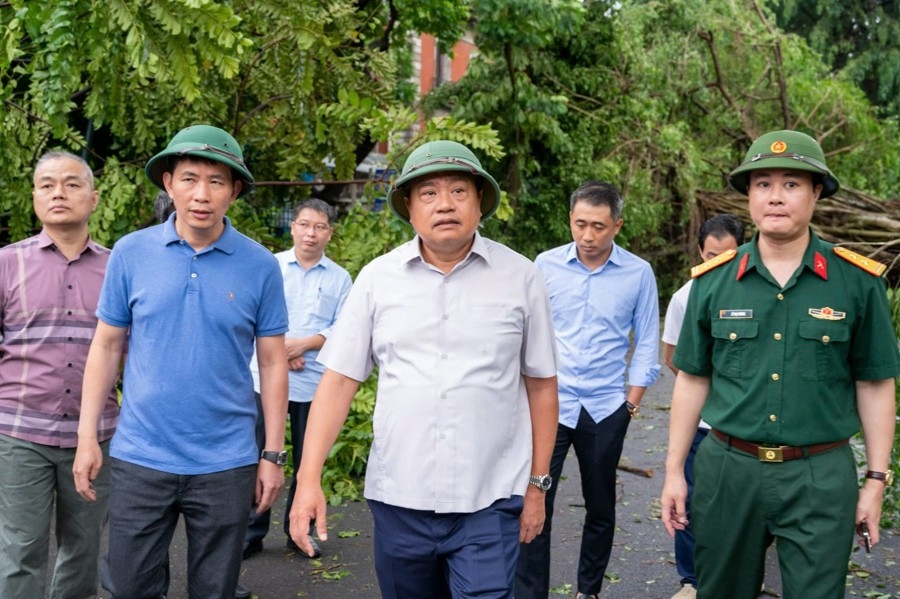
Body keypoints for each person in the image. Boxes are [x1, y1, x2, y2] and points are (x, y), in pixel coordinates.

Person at [289, 140, 559, 597]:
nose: (445, 204)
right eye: (429, 193)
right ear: (410, 209)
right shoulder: (378, 278)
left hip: (490, 499)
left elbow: (542, 385)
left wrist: (537, 486)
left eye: (458, 190)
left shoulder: (521, 278)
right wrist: (308, 478)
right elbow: (337, 382)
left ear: (479, 204)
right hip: (399, 498)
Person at [661, 130, 900, 599]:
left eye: (792, 184)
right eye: (762, 184)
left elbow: (874, 385)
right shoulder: (713, 283)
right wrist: (673, 472)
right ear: (749, 196)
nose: (775, 196)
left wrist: (875, 480)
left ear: (816, 194)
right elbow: (691, 380)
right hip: (728, 471)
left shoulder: (856, 282)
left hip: (819, 474)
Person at [73, 125, 289, 599]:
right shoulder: (132, 252)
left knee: (215, 590)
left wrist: (272, 454)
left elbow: (273, 363)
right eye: (189, 178)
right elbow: (107, 345)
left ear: (234, 190)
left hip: (226, 461)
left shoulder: (260, 265)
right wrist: (87, 436)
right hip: (141, 454)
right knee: (129, 588)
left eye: (217, 182)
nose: (202, 194)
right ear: (169, 183)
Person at [516, 180, 661, 599]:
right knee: (535, 499)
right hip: (550, 407)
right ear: (570, 220)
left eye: (599, 226)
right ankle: (530, 593)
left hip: (604, 408)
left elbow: (647, 341)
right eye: (580, 224)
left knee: (600, 506)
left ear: (617, 225)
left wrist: (629, 406)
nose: (588, 236)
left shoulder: (638, 273)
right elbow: (526, 332)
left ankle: (588, 591)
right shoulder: (544, 265)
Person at [0, 151, 118, 598]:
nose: (58, 193)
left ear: (93, 197)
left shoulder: (117, 269)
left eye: (71, 184)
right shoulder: (7, 264)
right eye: (47, 184)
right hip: (18, 434)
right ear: (34, 197)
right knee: (20, 549)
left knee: (84, 548)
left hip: (97, 434)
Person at [242, 198, 352, 560]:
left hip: (314, 384)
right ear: (293, 227)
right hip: (265, 379)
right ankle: (251, 532)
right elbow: (251, 317)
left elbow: (344, 329)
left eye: (319, 227)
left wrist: (302, 345)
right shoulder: (269, 266)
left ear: (329, 233)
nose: (311, 233)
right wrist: (280, 353)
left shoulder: (340, 278)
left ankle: (300, 531)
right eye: (304, 225)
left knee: (309, 462)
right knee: (260, 456)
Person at [660, 214, 744, 599]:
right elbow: (672, 357)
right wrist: (703, 387)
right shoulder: (685, 297)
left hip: (745, 425)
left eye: (727, 257)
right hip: (702, 422)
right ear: (699, 252)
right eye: (711, 256)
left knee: (742, 506)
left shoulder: (756, 293)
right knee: (689, 500)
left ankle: (743, 572)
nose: (717, 266)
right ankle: (691, 580)